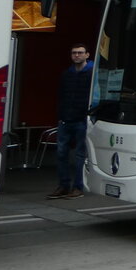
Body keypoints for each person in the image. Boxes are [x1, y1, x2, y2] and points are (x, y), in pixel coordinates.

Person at [47, 44, 94, 199]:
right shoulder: (67, 74)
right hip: (66, 119)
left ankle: (77, 187)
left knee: (79, 155)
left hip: (81, 119)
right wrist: (61, 115)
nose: (76, 55)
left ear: (87, 55)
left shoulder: (92, 73)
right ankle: (64, 185)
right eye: (74, 53)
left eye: (80, 53)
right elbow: (61, 96)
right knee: (62, 154)